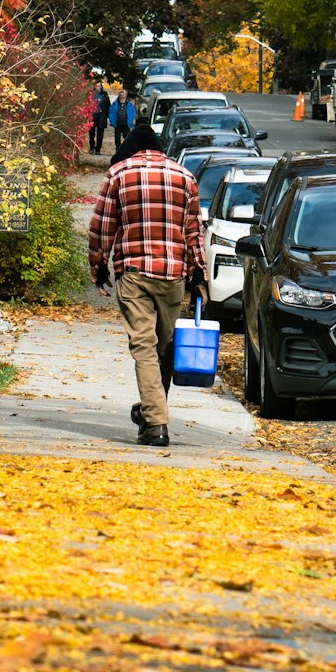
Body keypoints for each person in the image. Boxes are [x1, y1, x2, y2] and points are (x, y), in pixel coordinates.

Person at [88, 127, 207, 448]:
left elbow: (100, 227)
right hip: (173, 275)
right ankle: (154, 414)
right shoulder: (185, 177)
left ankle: (155, 422)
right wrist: (199, 278)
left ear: (132, 148)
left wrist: (97, 267)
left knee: (143, 345)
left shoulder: (117, 174)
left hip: (134, 272)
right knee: (164, 348)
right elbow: (193, 234)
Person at [89, 84, 111, 153]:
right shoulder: (91, 94)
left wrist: (109, 116)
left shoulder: (104, 95)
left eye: (99, 86)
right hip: (92, 116)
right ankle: (91, 147)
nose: (97, 87)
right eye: (96, 86)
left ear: (101, 86)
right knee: (91, 133)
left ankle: (98, 149)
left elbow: (108, 105)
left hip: (101, 116)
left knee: (100, 134)